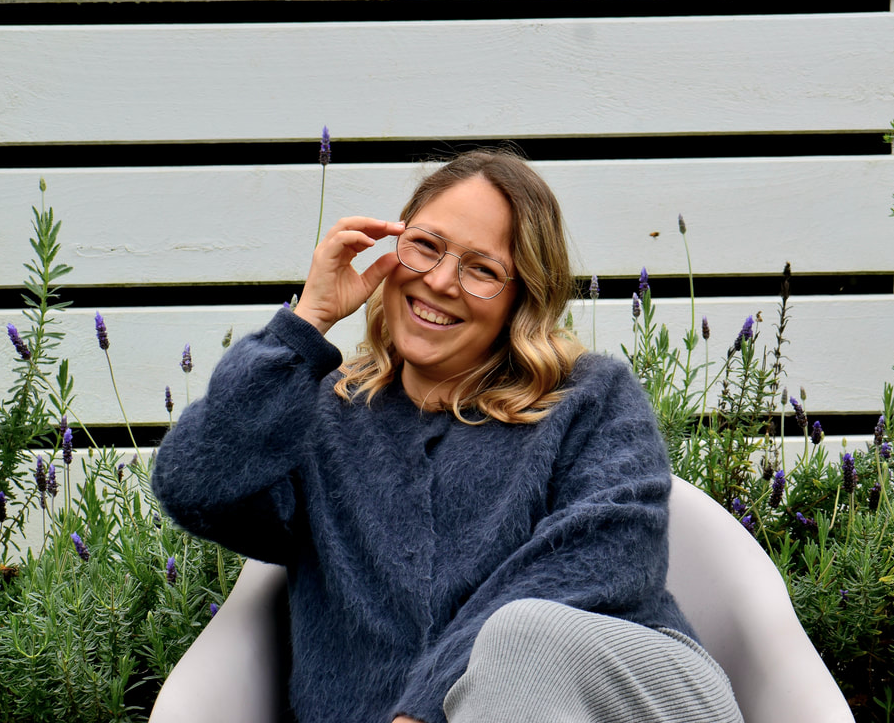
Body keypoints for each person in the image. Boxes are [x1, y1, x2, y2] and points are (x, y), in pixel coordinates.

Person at [152, 150, 742, 723]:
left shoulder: (589, 397)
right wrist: (305, 324)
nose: (439, 281)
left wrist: (427, 707)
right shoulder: (322, 417)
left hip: (638, 700)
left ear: (522, 299)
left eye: (482, 269)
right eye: (425, 247)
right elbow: (196, 487)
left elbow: (607, 558)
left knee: (523, 637)